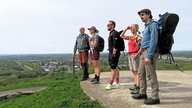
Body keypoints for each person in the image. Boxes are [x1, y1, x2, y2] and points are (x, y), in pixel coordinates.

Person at [132, 9, 160, 105]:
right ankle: (143, 93)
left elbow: (154, 41)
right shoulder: (147, 25)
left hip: (149, 52)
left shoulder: (153, 24)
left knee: (150, 75)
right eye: (140, 15)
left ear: (149, 15)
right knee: (141, 72)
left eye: (143, 14)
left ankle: (155, 97)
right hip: (143, 52)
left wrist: (149, 55)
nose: (141, 16)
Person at [120, 24, 142, 94]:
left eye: (132, 28)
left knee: (137, 71)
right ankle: (136, 84)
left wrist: (137, 54)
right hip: (130, 55)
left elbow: (142, 47)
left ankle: (139, 87)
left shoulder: (138, 37)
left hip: (135, 55)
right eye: (131, 28)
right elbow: (121, 36)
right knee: (133, 70)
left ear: (136, 29)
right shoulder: (131, 37)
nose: (131, 29)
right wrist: (126, 28)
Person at [105, 20, 121, 90]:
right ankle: (117, 82)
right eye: (107, 25)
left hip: (114, 53)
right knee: (116, 67)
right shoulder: (111, 33)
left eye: (109, 25)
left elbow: (116, 44)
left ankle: (110, 84)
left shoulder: (114, 33)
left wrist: (114, 53)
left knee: (113, 69)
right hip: (111, 52)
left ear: (113, 26)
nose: (107, 26)